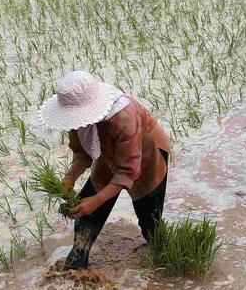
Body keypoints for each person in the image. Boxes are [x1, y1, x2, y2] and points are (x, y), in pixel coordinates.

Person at [39, 71, 171, 270]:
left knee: (149, 218)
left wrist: (97, 200)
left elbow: (128, 171)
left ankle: (160, 256)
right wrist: (70, 177)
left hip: (147, 158)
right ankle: (79, 255)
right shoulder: (78, 121)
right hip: (107, 155)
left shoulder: (124, 116)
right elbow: (83, 152)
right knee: (88, 213)